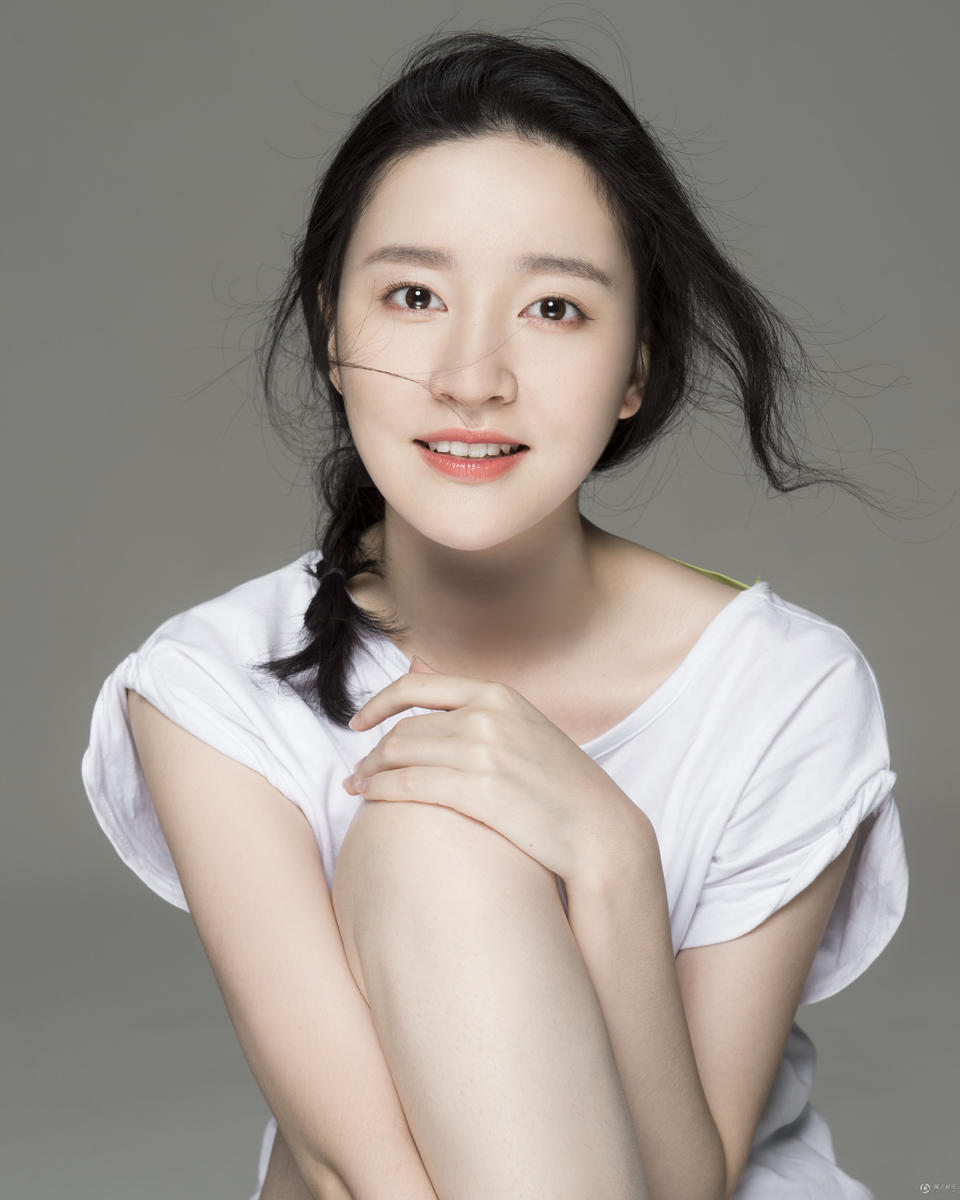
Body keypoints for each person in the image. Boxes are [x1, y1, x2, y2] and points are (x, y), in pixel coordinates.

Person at [81, 30, 908, 1200]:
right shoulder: (214, 684)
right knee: (435, 830)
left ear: (636, 369)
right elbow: (354, 1170)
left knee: (445, 826)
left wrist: (611, 859)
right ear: (332, 332)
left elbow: (691, 1184)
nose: (474, 377)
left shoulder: (782, 690)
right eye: (414, 295)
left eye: (555, 308)